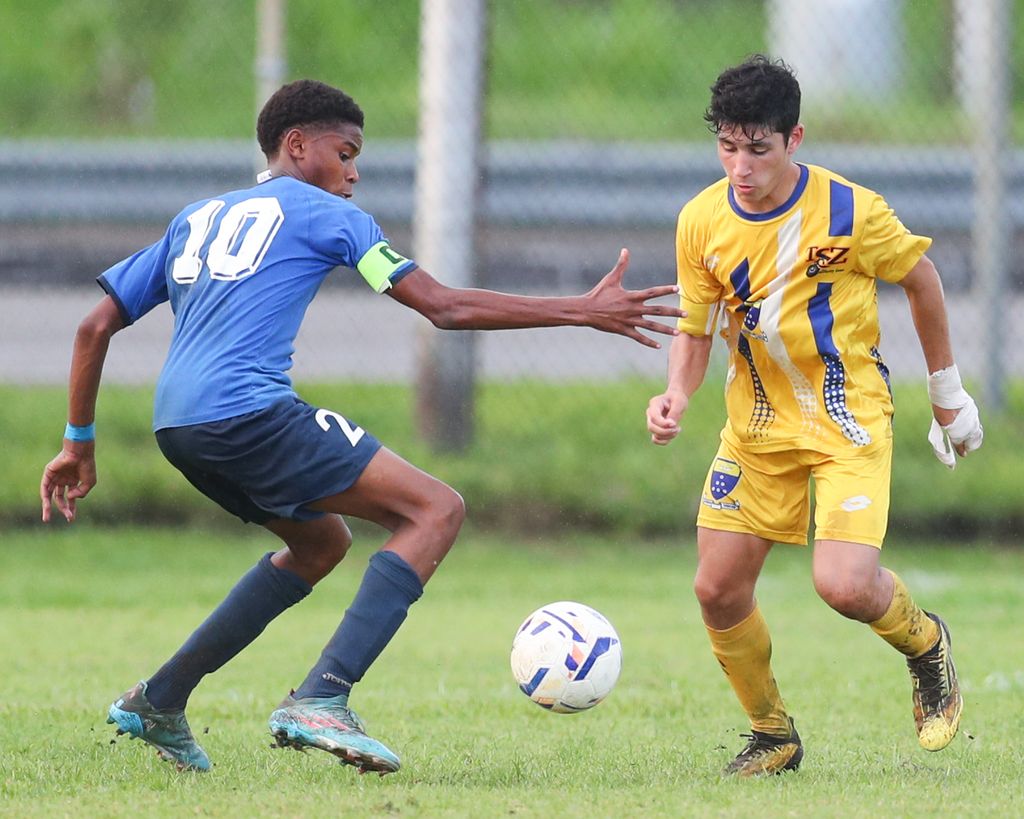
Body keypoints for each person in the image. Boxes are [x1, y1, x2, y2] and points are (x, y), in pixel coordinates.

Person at [39, 79, 683, 775]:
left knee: (319, 544)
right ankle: (322, 697)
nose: (354, 171)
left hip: (180, 427)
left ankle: (160, 698)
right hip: (251, 413)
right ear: (297, 146)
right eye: (344, 153)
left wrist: (78, 441)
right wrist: (578, 310)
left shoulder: (197, 217)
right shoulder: (331, 216)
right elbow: (441, 306)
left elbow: (94, 323)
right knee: (436, 508)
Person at [646, 55, 983, 777]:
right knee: (716, 587)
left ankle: (926, 644)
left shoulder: (852, 211)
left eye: (758, 149)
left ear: (794, 139)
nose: (741, 166)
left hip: (847, 420)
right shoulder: (700, 221)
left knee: (844, 586)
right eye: (727, 146)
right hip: (757, 431)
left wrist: (947, 390)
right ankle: (773, 734)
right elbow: (695, 329)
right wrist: (677, 392)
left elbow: (922, 282)